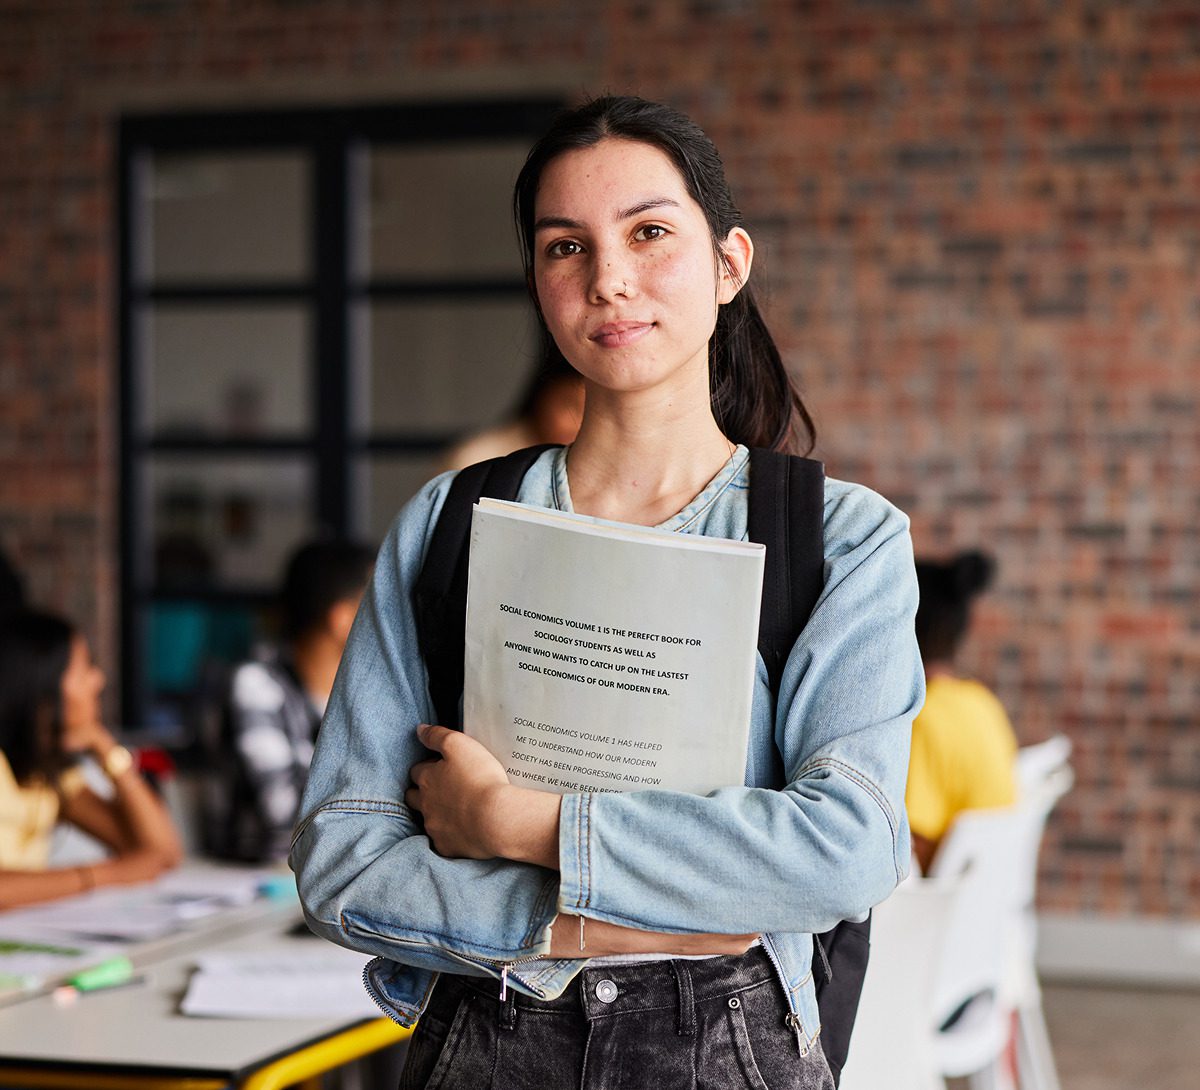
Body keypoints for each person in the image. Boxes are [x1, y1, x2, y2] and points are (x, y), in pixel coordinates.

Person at [292, 95, 922, 1089]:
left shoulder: (842, 539)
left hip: (728, 1053)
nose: (609, 280)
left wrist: (516, 825)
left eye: (650, 233)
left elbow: (846, 851)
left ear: (728, 263)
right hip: (480, 1042)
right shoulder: (448, 522)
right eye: (563, 247)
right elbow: (341, 859)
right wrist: (587, 920)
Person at [204, 539, 374, 863]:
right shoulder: (255, 682)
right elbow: (285, 812)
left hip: (336, 875)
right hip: (265, 879)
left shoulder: (361, 692)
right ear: (341, 618)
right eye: (378, 603)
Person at [0, 610, 183, 909]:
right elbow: (131, 867)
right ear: (43, 684)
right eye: (84, 668)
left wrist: (105, 747)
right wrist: (105, 875)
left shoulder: (45, 773)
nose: (98, 680)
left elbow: (162, 853)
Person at [906, 551, 1018, 873]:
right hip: (980, 905)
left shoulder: (922, 719)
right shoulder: (982, 702)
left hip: (929, 912)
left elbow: (912, 852)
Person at [439, 356, 585, 472]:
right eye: (570, 406)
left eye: (587, 411)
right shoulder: (474, 459)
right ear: (541, 396)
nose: (578, 424)